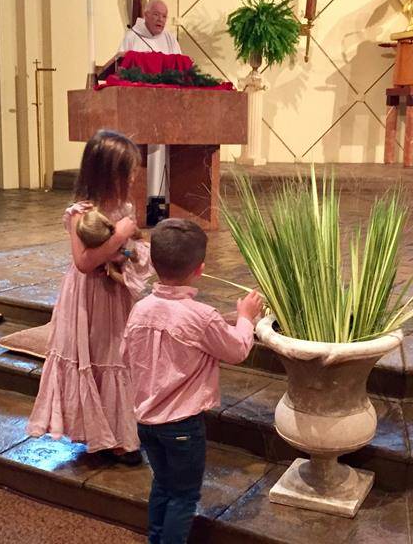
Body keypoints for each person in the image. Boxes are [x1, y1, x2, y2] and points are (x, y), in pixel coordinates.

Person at [122, 218, 264, 543]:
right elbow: (238, 349)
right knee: (183, 497)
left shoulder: (140, 309)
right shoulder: (202, 317)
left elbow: (127, 354)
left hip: (145, 420)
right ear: (199, 268)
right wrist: (246, 317)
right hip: (182, 426)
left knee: (162, 484)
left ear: (155, 264)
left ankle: (155, 538)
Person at [26, 129, 143, 464]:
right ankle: (95, 432)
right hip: (87, 296)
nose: (133, 177)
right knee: (91, 355)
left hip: (114, 293)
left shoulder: (125, 206)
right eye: (127, 171)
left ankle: (119, 435)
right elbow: (84, 261)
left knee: (115, 354)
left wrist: (129, 252)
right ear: (107, 173)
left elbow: (127, 249)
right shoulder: (81, 212)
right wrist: (118, 236)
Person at [118, 0, 181, 210]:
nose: (160, 20)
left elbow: (181, 70)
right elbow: (121, 68)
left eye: (164, 16)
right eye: (156, 15)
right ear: (146, 14)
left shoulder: (171, 40)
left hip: (166, 109)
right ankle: (141, 203)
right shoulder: (132, 38)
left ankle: (162, 202)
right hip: (139, 111)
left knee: (164, 152)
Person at [75, 207, 155, 299]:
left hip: (136, 270)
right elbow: (138, 235)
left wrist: (113, 272)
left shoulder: (112, 253)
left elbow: (121, 277)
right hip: (145, 258)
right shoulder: (123, 232)